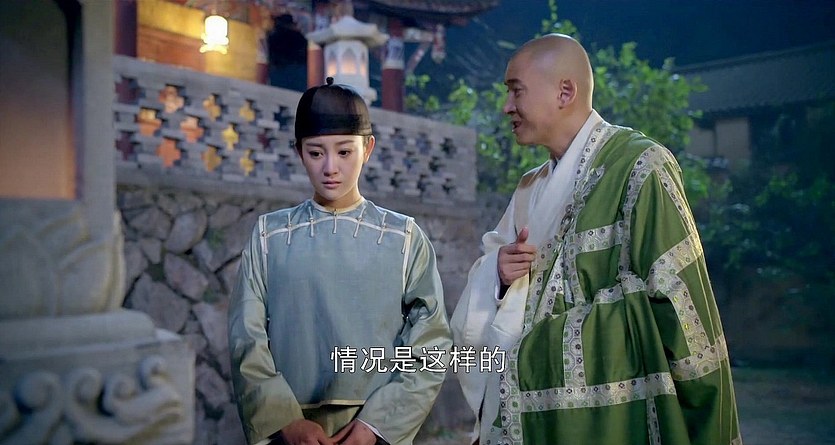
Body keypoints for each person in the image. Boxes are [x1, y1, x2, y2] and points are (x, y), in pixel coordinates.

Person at [450, 34, 742, 445]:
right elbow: (491, 284)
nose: (506, 106)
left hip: (618, 421)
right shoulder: (530, 189)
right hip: (529, 417)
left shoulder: (639, 166)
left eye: (516, 91)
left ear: (565, 92)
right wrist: (497, 274)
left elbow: (680, 304)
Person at [229, 78, 452, 445]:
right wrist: (286, 420)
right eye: (316, 153)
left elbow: (432, 344)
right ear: (299, 152)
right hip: (290, 431)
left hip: (374, 431)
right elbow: (246, 339)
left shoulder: (404, 238)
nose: (330, 167)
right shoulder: (270, 236)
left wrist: (376, 425)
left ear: (368, 148)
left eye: (345, 152)